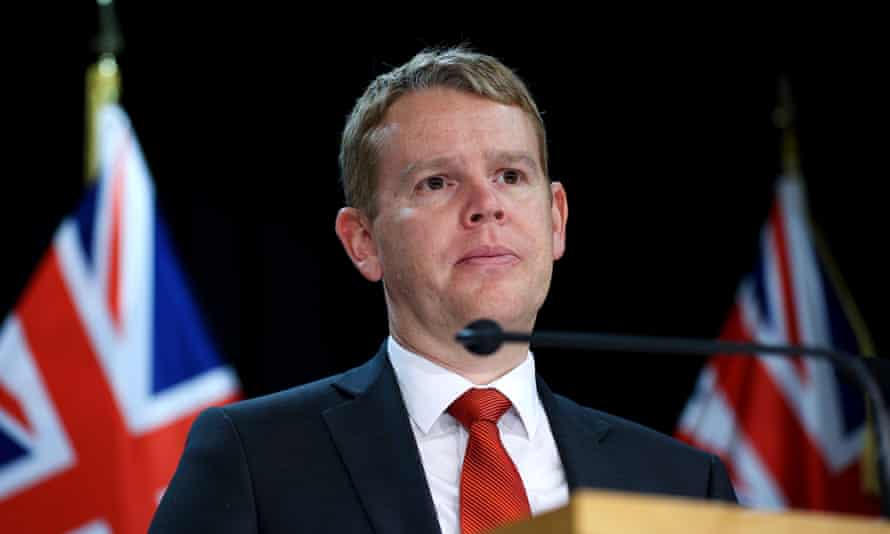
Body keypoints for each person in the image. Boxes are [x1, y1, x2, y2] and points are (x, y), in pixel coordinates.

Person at [149, 46, 736, 534]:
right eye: (437, 182)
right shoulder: (255, 458)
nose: (487, 207)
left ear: (556, 219)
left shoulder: (680, 487)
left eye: (510, 176)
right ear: (363, 242)